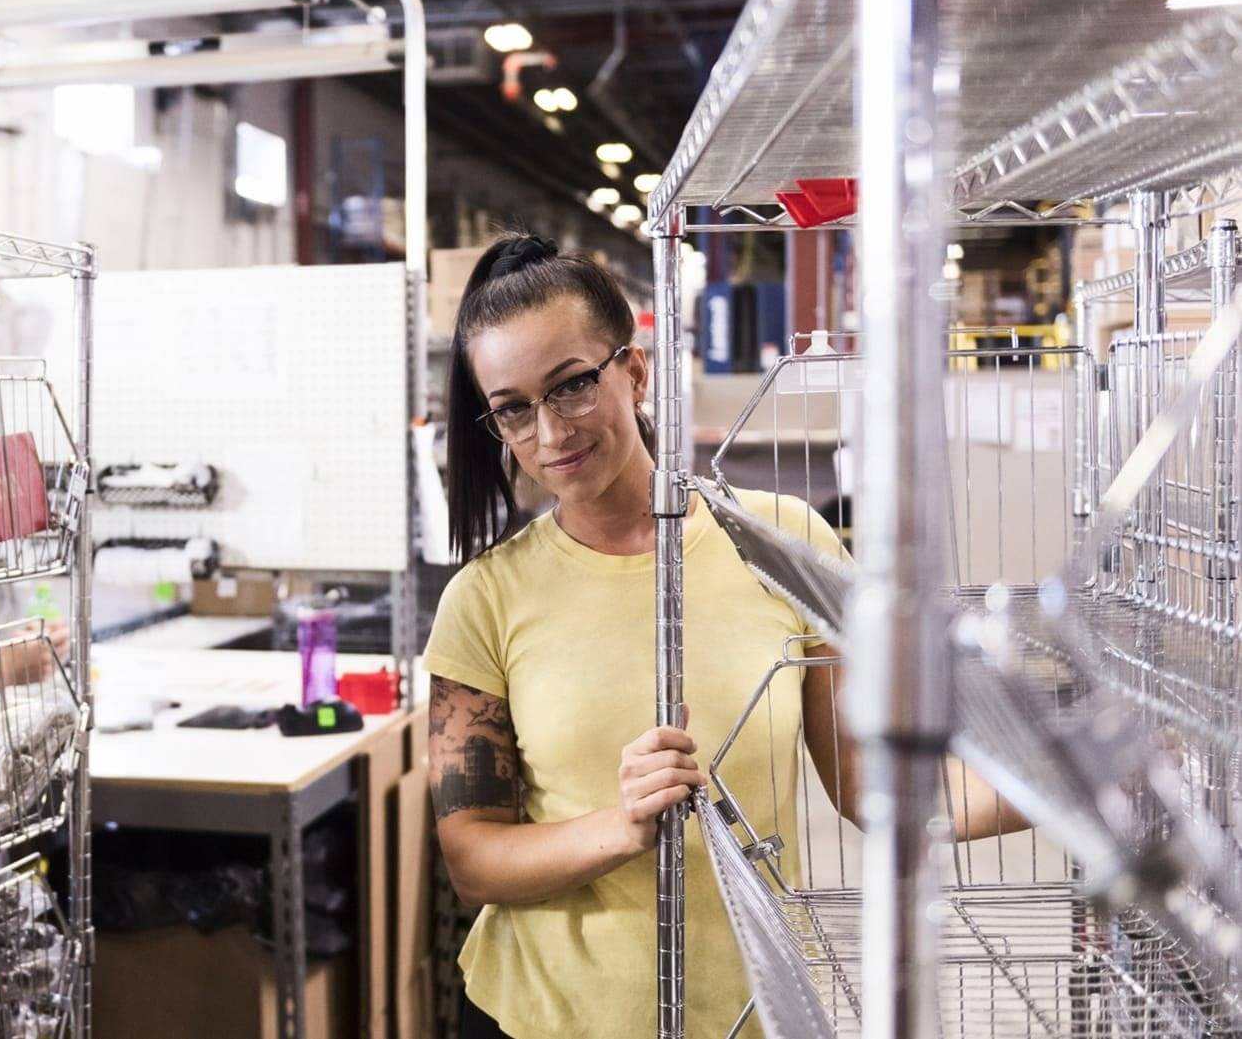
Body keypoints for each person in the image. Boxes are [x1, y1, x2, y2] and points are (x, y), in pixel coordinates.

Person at [425, 234, 1021, 1039]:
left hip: (747, 1009)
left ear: (633, 371)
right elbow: (472, 855)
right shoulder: (484, 598)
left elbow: (864, 783)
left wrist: (1065, 796)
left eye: (570, 386)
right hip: (540, 1017)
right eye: (513, 408)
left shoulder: (782, 542)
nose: (550, 432)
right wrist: (620, 826)